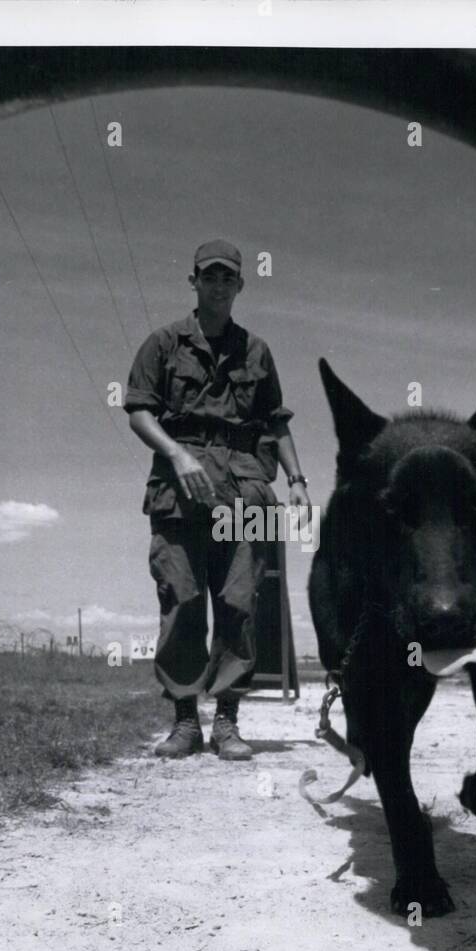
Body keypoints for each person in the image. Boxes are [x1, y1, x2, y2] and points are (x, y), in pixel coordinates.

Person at [124, 240, 310, 759]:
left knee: (238, 603)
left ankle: (227, 720)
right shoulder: (161, 344)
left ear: (239, 286)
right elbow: (138, 411)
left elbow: (276, 422)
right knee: (181, 599)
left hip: (245, 489)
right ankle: (185, 721)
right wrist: (178, 455)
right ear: (194, 282)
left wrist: (297, 481)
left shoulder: (257, 350)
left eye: (228, 277)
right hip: (179, 491)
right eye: (210, 276)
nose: (219, 284)